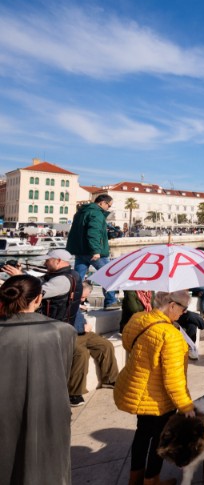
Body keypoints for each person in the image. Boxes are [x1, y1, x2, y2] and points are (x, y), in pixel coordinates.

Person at [0, 274, 76, 485]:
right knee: (47, 467)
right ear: (38, 299)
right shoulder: (63, 331)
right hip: (49, 411)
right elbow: (64, 376)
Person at [114, 290, 196, 485]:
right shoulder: (171, 335)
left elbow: (127, 344)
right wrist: (186, 406)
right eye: (183, 308)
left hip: (138, 389)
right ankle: (151, 480)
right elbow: (174, 379)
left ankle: (135, 478)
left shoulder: (138, 318)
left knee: (142, 434)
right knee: (161, 440)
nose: (184, 313)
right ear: (172, 305)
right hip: (159, 399)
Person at [69, 282, 119, 406]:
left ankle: (110, 379)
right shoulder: (62, 303)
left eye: (85, 297)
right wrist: (82, 327)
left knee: (106, 345)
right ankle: (74, 393)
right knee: (81, 354)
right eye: (82, 297)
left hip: (84, 332)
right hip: (71, 335)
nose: (84, 299)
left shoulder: (76, 303)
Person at [66, 193, 117, 307]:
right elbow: (93, 232)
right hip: (92, 252)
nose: (109, 208)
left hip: (80, 251)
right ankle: (111, 302)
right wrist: (96, 250)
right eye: (109, 205)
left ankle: (73, 303)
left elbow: (83, 232)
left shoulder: (80, 212)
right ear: (102, 203)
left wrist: (106, 235)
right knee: (108, 275)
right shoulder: (96, 213)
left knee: (77, 279)